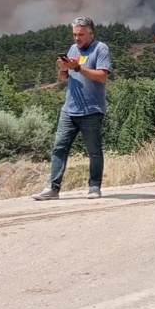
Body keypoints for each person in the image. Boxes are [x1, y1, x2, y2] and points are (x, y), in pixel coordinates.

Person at [33, 17, 112, 201]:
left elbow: (101, 76)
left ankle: (94, 187)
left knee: (94, 150)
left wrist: (77, 67)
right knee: (59, 148)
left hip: (92, 110)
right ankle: (53, 188)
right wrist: (63, 69)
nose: (77, 39)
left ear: (91, 33)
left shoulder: (101, 49)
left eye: (81, 35)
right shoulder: (73, 49)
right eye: (75, 34)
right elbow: (64, 79)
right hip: (69, 109)